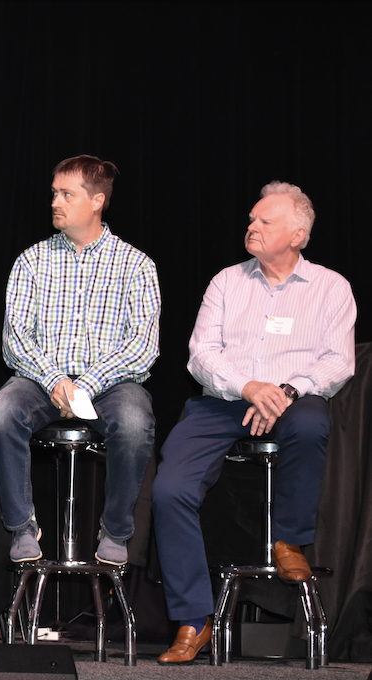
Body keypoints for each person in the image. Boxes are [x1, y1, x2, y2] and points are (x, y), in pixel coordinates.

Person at [152, 182, 356, 664]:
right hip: (225, 399)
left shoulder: (331, 287)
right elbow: (201, 355)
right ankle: (192, 620)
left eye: (265, 221)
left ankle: (288, 539)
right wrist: (249, 388)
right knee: (169, 488)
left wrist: (284, 390)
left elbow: (338, 361)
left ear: (298, 234)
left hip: (293, 397)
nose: (252, 227)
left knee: (310, 427)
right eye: (251, 219)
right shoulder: (227, 281)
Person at [0, 155, 160, 567]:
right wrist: (55, 380)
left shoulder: (136, 264)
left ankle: (116, 529)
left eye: (67, 194)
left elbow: (143, 345)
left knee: (135, 424)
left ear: (97, 200)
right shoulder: (32, 260)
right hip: (41, 379)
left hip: (112, 383)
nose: (55, 202)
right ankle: (22, 525)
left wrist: (87, 384)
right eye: (54, 193)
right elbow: (15, 339)